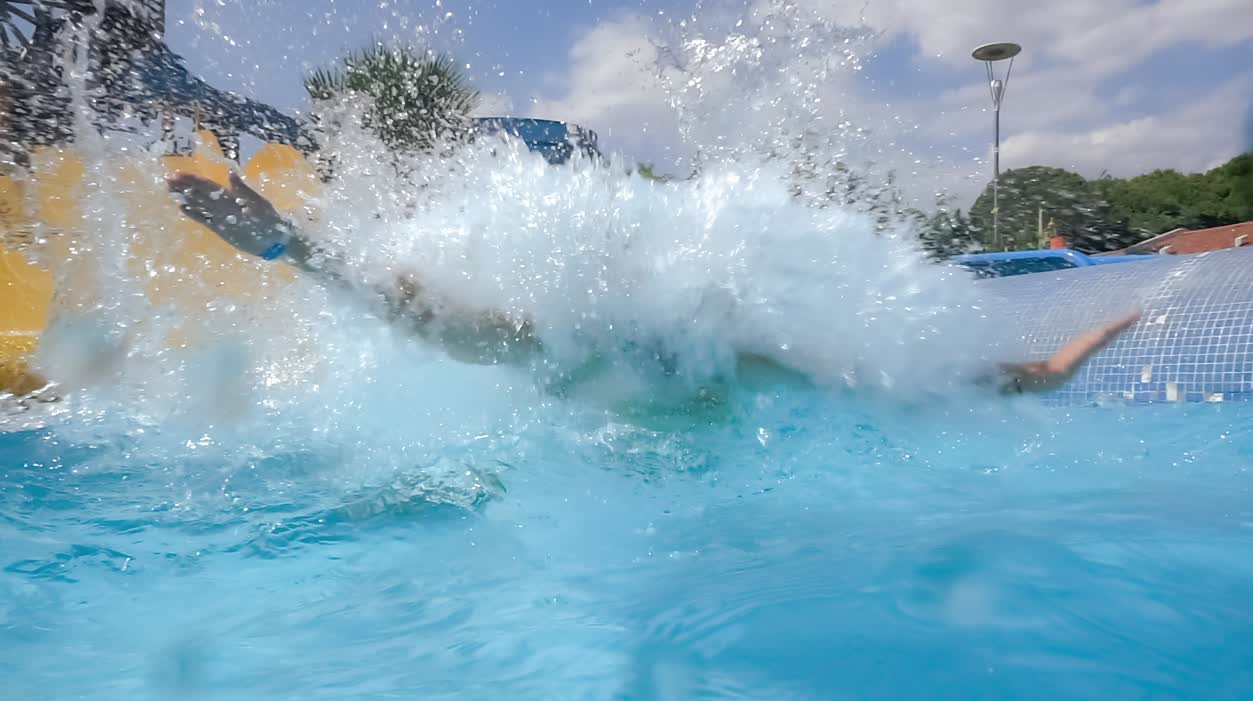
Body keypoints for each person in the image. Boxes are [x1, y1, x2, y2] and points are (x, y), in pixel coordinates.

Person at [166, 172, 1141, 396]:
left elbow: (901, 379)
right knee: (459, 324)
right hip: (623, 474)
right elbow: (422, 317)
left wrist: (1054, 363)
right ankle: (290, 243)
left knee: (463, 328)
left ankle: (292, 245)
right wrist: (1053, 368)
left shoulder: (745, 354)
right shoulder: (591, 336)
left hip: (645, 493)